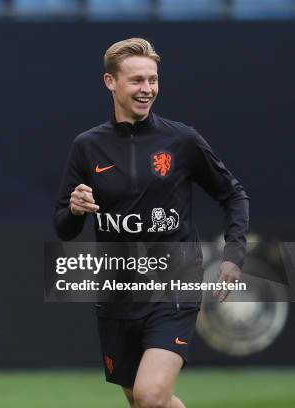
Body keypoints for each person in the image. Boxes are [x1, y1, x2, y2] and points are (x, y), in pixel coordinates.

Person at [53, 38, 248, 408]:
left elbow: (233, 194)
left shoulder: (181, 140)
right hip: (118, 289)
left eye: (153, 80)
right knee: (142, 399)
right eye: (137, 80)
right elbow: (63, 227)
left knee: (150, 395)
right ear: (110, 82)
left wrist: (234, 254)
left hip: (174, 283)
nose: (147, 90)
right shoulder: (87, 146)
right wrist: (75, 210)